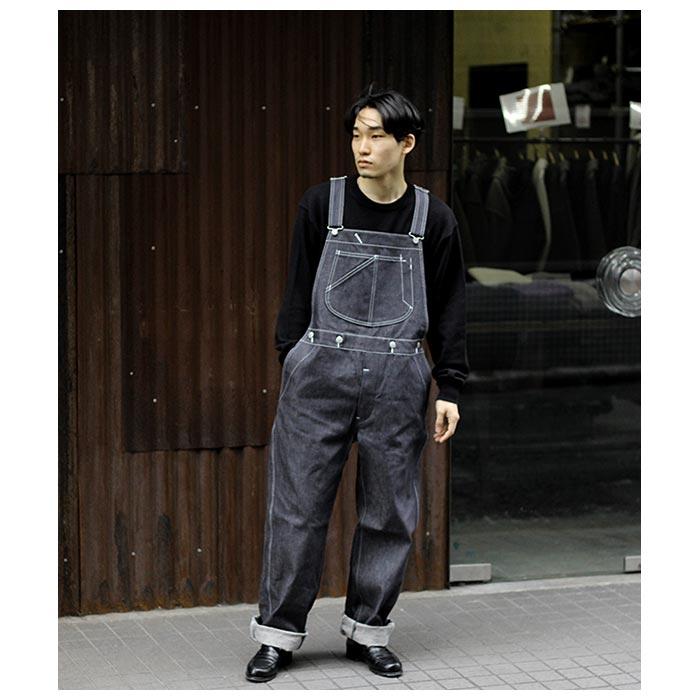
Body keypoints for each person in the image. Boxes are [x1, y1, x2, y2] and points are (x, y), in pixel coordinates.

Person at [245, 84, 469, 683]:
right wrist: (293, 358)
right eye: (355, 135)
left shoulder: (434, 219)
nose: (362, 148)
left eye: (375, 136)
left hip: (398, 378)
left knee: (388, 513)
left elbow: (451, 307)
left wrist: (449, 386)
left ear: (407, 144)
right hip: (319, 375)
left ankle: (368, 632)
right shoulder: (323, 204)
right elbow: (296, 290)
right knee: (297, 511)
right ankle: (278, 636)